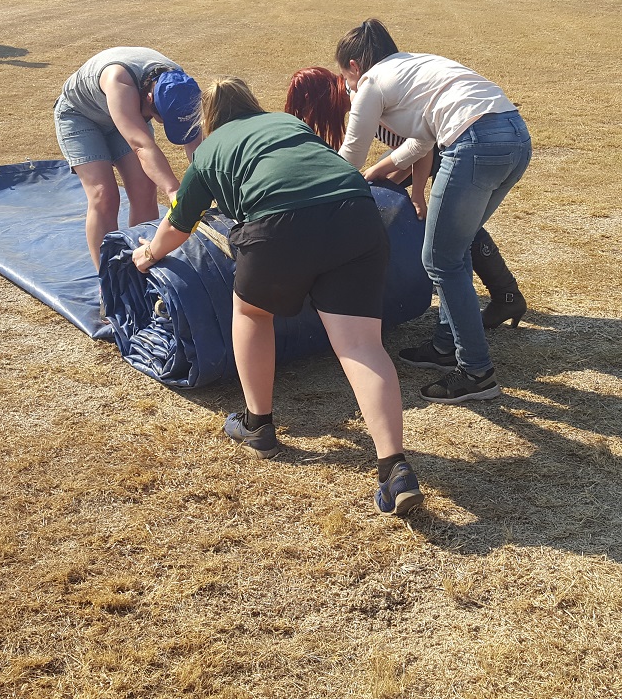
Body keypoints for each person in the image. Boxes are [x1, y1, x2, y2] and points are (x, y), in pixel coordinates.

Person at [131, 77, 424, 516]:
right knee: (361, 346)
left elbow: (178, 223)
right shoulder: (287, 123)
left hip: (278, 222)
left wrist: (149, 253)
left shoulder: (208, 151)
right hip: (358, 214)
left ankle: (258, 424)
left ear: (209, 119)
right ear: (252, 104)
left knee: (251, 312)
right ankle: (394, 468)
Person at [332, 19, 532, 404]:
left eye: (345, 76)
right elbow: (420, 143)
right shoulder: (413, 66)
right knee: (456, 246)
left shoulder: (370, 82)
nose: (347, 84)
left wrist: (320, 189)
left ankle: (476, 372)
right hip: (515, 135)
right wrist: (378, 172)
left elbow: (351, 155)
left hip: (474, 142)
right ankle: (445, 345)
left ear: (354, 66)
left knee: (440, 259)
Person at [285, 67, 527, 329]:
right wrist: (387, 179)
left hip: (452, 144)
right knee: (445, 220)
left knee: (452, 227)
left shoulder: (362, 100)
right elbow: (406, 148)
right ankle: (505, 294)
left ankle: (500, 299)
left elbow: (423, 147)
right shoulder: (357, 94)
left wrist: (417, 194)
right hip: (445, 140)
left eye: (308, 111)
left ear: (318, 100)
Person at [54, 47, 203, 270]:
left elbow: (195, 144)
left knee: (145, 187)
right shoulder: (119, 79)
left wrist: (206, 186)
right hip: (81, 116)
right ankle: (108, 278)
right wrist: (175, 192)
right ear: (150, 98)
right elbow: (142, 146)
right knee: (104, 195)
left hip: (127, 111)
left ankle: (141, 265)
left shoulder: (181, 87)